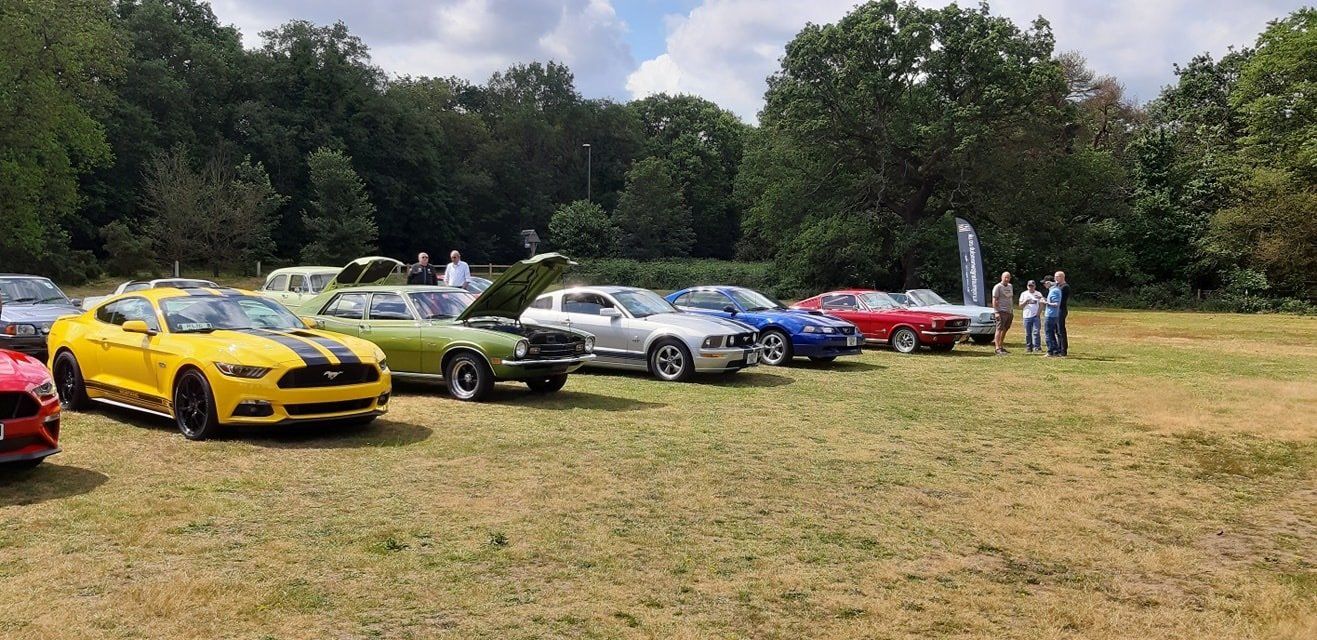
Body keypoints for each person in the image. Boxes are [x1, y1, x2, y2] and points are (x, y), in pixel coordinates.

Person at [991, 271, 1014, 355]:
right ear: (1002, 277)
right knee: (999, 329)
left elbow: (1010, 298)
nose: (1007, 279)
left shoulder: (1010, 286)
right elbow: (994, 300)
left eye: (1008, 277)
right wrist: (996, 312)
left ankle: (1001, 346)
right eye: (1005, 277)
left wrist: (1011, 310)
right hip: (1001, 311)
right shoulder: (998, 287)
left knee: (1005, 329)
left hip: (1009, 311)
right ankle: (997, 348)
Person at [1018, 279, 1043, 353]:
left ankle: (1037, 347)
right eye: (1029, 286)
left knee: (1036, 332)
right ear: (1027, 286)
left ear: (1035, 286)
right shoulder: (1024, 294)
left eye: (1032, 286)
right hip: (1026, 316)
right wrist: (1025, 301)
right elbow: (1020, 306)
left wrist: (1038, 313)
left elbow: (1041, 304)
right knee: (1028, 333)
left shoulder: (1038, 294)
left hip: (1035, 316)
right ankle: (1029, 347)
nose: (1031, 287)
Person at [1042, 276, 1063, 357]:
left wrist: (1045, 302)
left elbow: (1056, 304)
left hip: (1051, 315)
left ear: (1049, 282)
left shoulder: (1055, 291)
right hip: (1052, 314)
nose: (1044, 284)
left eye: (1045, 282)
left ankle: (1050, 351)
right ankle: (1055, 351)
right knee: (1051, 333)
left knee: (1048, 333)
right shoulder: (1054, 290)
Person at [1055, 270, 1071, 356]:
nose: (1055, 278)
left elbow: (1060, 300)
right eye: (1055, 277)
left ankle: (1063, 350)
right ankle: (1058, 348)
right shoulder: (1058, 286)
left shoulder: (1065, 287)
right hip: (1056, 310)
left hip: (1061, 310)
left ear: (1062, 277)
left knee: (1061, 330)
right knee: (1057, 330)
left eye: (1057, 277)